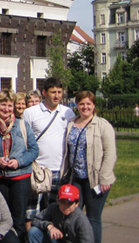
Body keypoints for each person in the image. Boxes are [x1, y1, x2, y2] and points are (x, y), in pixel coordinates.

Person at [61, 90, 116, 243]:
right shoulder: (72, 123)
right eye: (81, 104)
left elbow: (110, 154)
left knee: (93, 218)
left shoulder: (103, 125)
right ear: (77, 105)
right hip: (76, 178)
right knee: (74, 215)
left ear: (94, 106)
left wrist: (104, 178)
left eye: (88, 104)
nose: (85, 107)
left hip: (96, 179)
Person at [0, 89, 39, 241]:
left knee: (19, 220)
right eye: (3, 105)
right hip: (0, 179)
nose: (6, 109)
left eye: (9, 105)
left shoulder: (22, 125)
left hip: (20, 178)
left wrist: (18, 161)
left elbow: (34, 150)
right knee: (1, 219)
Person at [23, 78, 75, 211]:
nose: (56, 95)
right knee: (32, 210)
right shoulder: (31, 113)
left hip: (58, 168)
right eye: (53, 92)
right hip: (37, 169)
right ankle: (32, 232)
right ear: (44, 93)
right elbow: (23, 139)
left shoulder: (67, 113)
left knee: (55, 209)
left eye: (59, 92)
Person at [27, 184, 94, 243]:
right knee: (33, 232)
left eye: (69, 203)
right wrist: (49, 226)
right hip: (56, 240)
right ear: (58, 200)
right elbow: (35, 220)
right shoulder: (53, 208)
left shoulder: (81, 220)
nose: (65, 206)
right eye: (62, 202)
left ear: (77, 203)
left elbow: (88, 241)